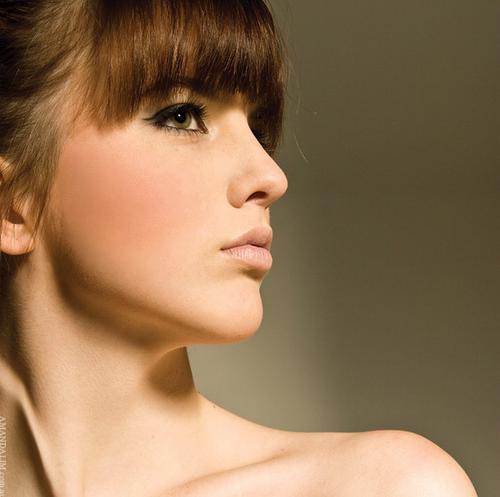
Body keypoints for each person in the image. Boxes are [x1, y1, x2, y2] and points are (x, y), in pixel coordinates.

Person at [0, 1, 478, 496]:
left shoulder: (380, 487)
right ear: (13, 204)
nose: (271, 176)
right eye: (182, 116)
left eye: (258, 129)